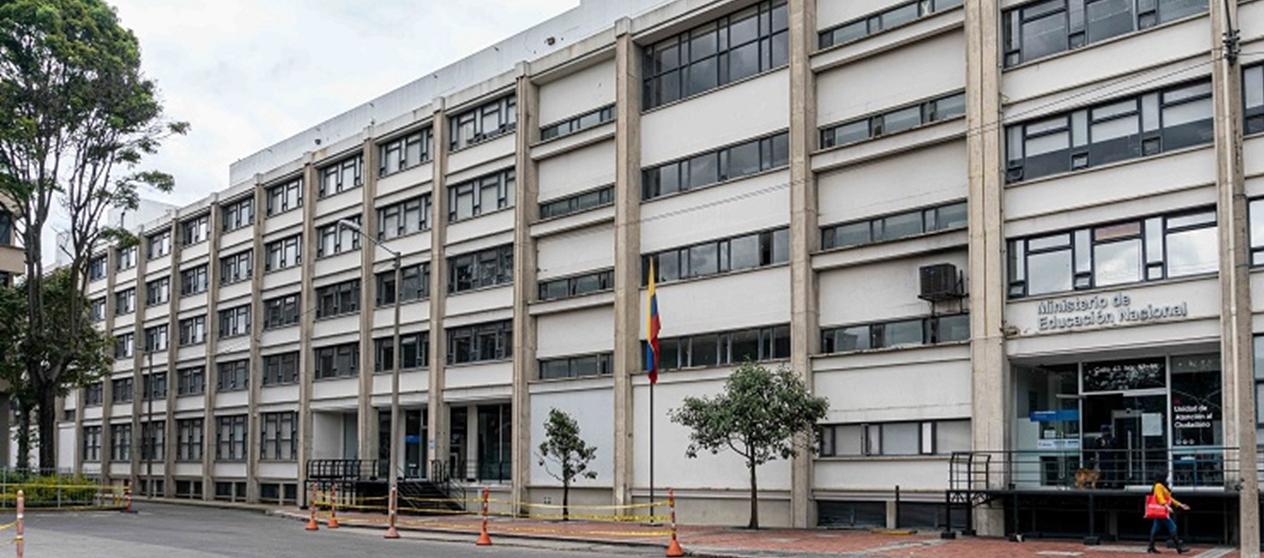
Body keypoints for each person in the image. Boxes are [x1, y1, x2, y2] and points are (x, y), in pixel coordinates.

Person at [1147, 474, 1190, 554]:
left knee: (1155, 528)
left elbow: (1170, 499)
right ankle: (1179, 547)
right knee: (1172, 526)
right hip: (1162, 510)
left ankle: (1151, 547)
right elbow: (1160, 498)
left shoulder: (1162, 486)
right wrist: (1167, 507)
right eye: (1166, 478)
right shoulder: (1158, 486)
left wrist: (1181, 505)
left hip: (1160, 511)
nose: (1167, 479)